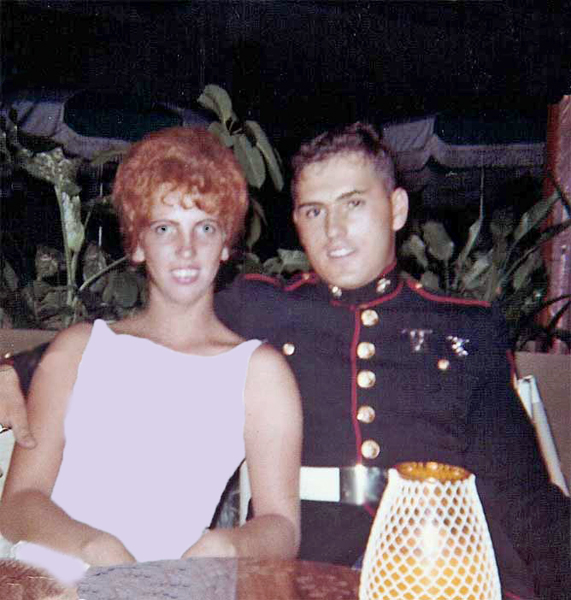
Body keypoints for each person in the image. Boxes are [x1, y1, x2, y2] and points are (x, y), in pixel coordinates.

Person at [1, 123, 568, 599]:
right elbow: (148, 330)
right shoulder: (264, 308)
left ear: (396, 208)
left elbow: (522, 495)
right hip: (315, 575)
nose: (335, 231)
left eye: (353, 205)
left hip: (438, 568)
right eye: (314, 212)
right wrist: (14, 367)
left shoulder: (465, 329)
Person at [0, 127, 302, 583]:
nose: (187, 249)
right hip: (41, 578)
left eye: (205, 228)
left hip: (159, 586)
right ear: (138, 245)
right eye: (165, 228)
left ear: (225, 246)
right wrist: (94, 545)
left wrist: (226, 544)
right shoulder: (80, 349)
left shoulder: (257, 372)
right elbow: (20, 503)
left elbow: (282, 527)